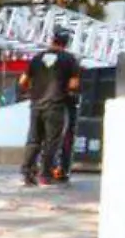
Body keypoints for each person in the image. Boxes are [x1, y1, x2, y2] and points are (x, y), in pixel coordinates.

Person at [19, 30, 81, 186]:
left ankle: (27, 173)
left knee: (33, 140)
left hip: (36, 104)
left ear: (52, 40)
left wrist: (34, 91)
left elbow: (23, 81)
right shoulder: (69, 59)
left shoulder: (37, 58)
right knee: (51, 141)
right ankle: (45, 175)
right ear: (66, 43)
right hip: (55, 105)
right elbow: (74, 84)